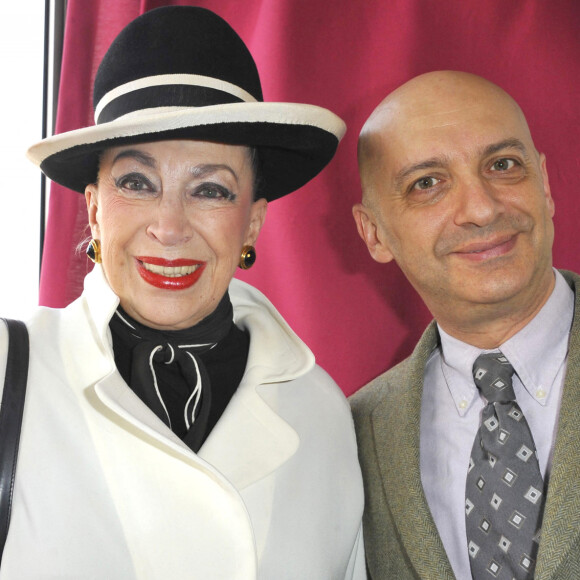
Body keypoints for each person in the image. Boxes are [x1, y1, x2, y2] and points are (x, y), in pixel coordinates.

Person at [0, 6, 365, 578]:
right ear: (94, 211)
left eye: (211, 190)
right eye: (137, 183)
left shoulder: (321, 413)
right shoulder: (6, 374)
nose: (170, 227)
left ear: (251, 223)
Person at [350, 70, 579, 580]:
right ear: (373, 233)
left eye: (503, 165)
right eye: (426, 184)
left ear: (544, 184)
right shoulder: (351, 438)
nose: (480, 208)